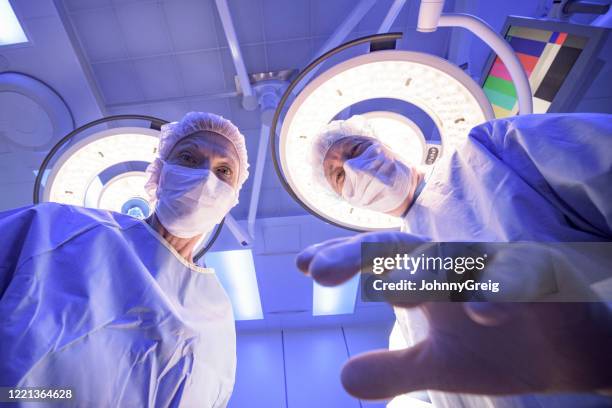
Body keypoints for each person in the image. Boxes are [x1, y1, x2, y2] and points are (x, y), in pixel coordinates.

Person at [297, 113, 612, 406]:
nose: (354, 168)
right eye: (338, 175)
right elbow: (418, 385)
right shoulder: (403, 277)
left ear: (386, 144)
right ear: (347, 201)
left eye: (355, 149)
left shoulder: (486, 150)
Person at [0, 112, 249, 407]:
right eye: (188, 158)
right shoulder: (59, 229)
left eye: (223, 171)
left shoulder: (216, 315)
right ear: (159, 173)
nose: (204, 178)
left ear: (233, 197)